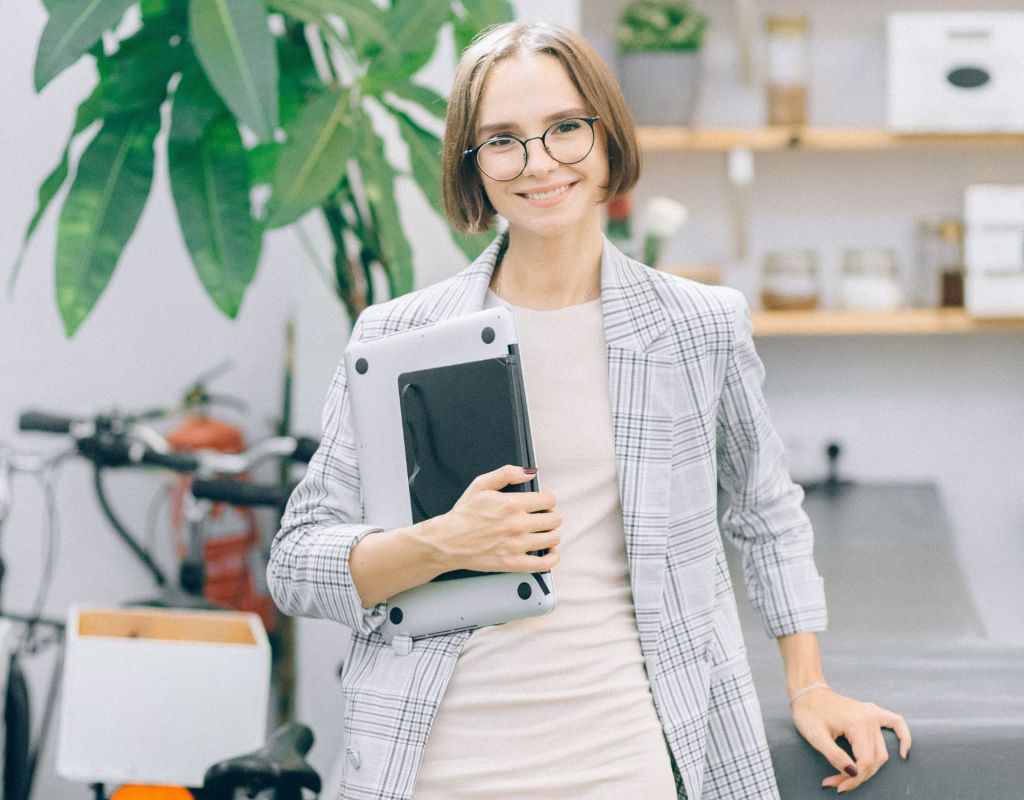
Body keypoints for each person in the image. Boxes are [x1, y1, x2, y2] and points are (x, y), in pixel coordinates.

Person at [268, 21, 911, 800]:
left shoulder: (694, 324)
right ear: (474, 168)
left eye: (565, 129)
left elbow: (764, 510)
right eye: (503, 140)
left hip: (621, 753)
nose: (539, 163)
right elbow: (297, 562)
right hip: (435, 757)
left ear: (606, 138)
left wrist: (809, 684)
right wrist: (440, 543)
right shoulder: (400, 336)